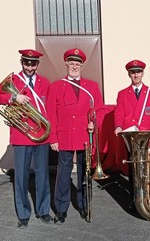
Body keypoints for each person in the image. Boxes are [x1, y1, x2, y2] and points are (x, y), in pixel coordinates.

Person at [0, 49, 53, 228]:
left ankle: (43, 210)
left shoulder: (45, 82)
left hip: (41, 135)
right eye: (27, 63)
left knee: (42, 175)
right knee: (21, 176)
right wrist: (13, 97)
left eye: (33, 63)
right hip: (21, 134)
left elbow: (50, 107)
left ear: (37, 64)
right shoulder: (15, 80)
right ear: (21, 62)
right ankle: (23, 213)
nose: (30, 67)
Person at [46, 48, 105, 224]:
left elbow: (100, 110)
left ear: (81, 66)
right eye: (71, 63)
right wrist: (53, 138)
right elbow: (50, 114)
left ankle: (84, 205)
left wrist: (94, 123)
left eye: (77, 63)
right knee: (63, 175)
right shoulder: (56, 86)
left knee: (84, 174)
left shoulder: (91, 86)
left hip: (84, 136)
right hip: (64, 136)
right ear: (66, 64)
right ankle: (61, 209)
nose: (74, 66)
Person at [113, 59, 150, 209]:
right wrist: (118, 126)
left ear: (143, 73)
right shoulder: (122, 93)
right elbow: (119, 112)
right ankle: (135, 197)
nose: (136, 75)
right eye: (133, 72)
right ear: (129, 74)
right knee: (133, 167)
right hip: (132, 135)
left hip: (147, 134)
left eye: (138, 72)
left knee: (149, 167)